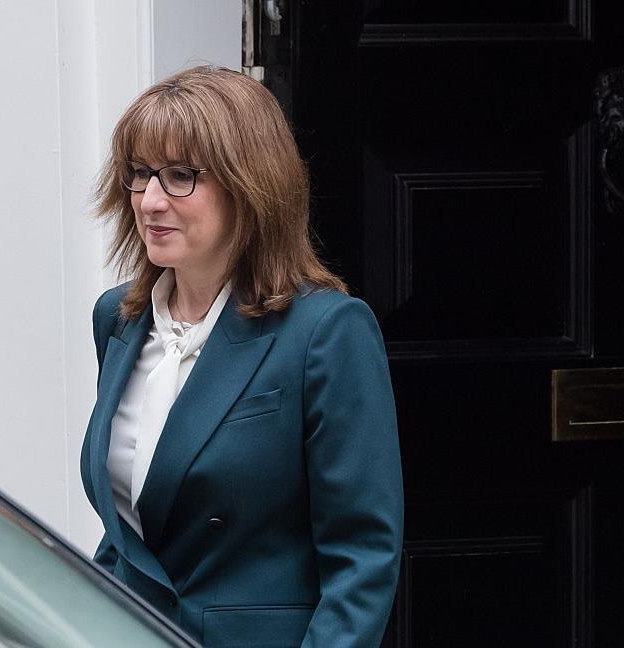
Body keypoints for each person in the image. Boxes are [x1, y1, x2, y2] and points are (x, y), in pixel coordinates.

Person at [80, 65, 403, 648]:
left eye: (181, 176)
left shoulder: (326, 332)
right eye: (139, 174)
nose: (150, 200)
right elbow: (128, 535)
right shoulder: (118, 320)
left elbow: (363, 556)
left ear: (248, 184)